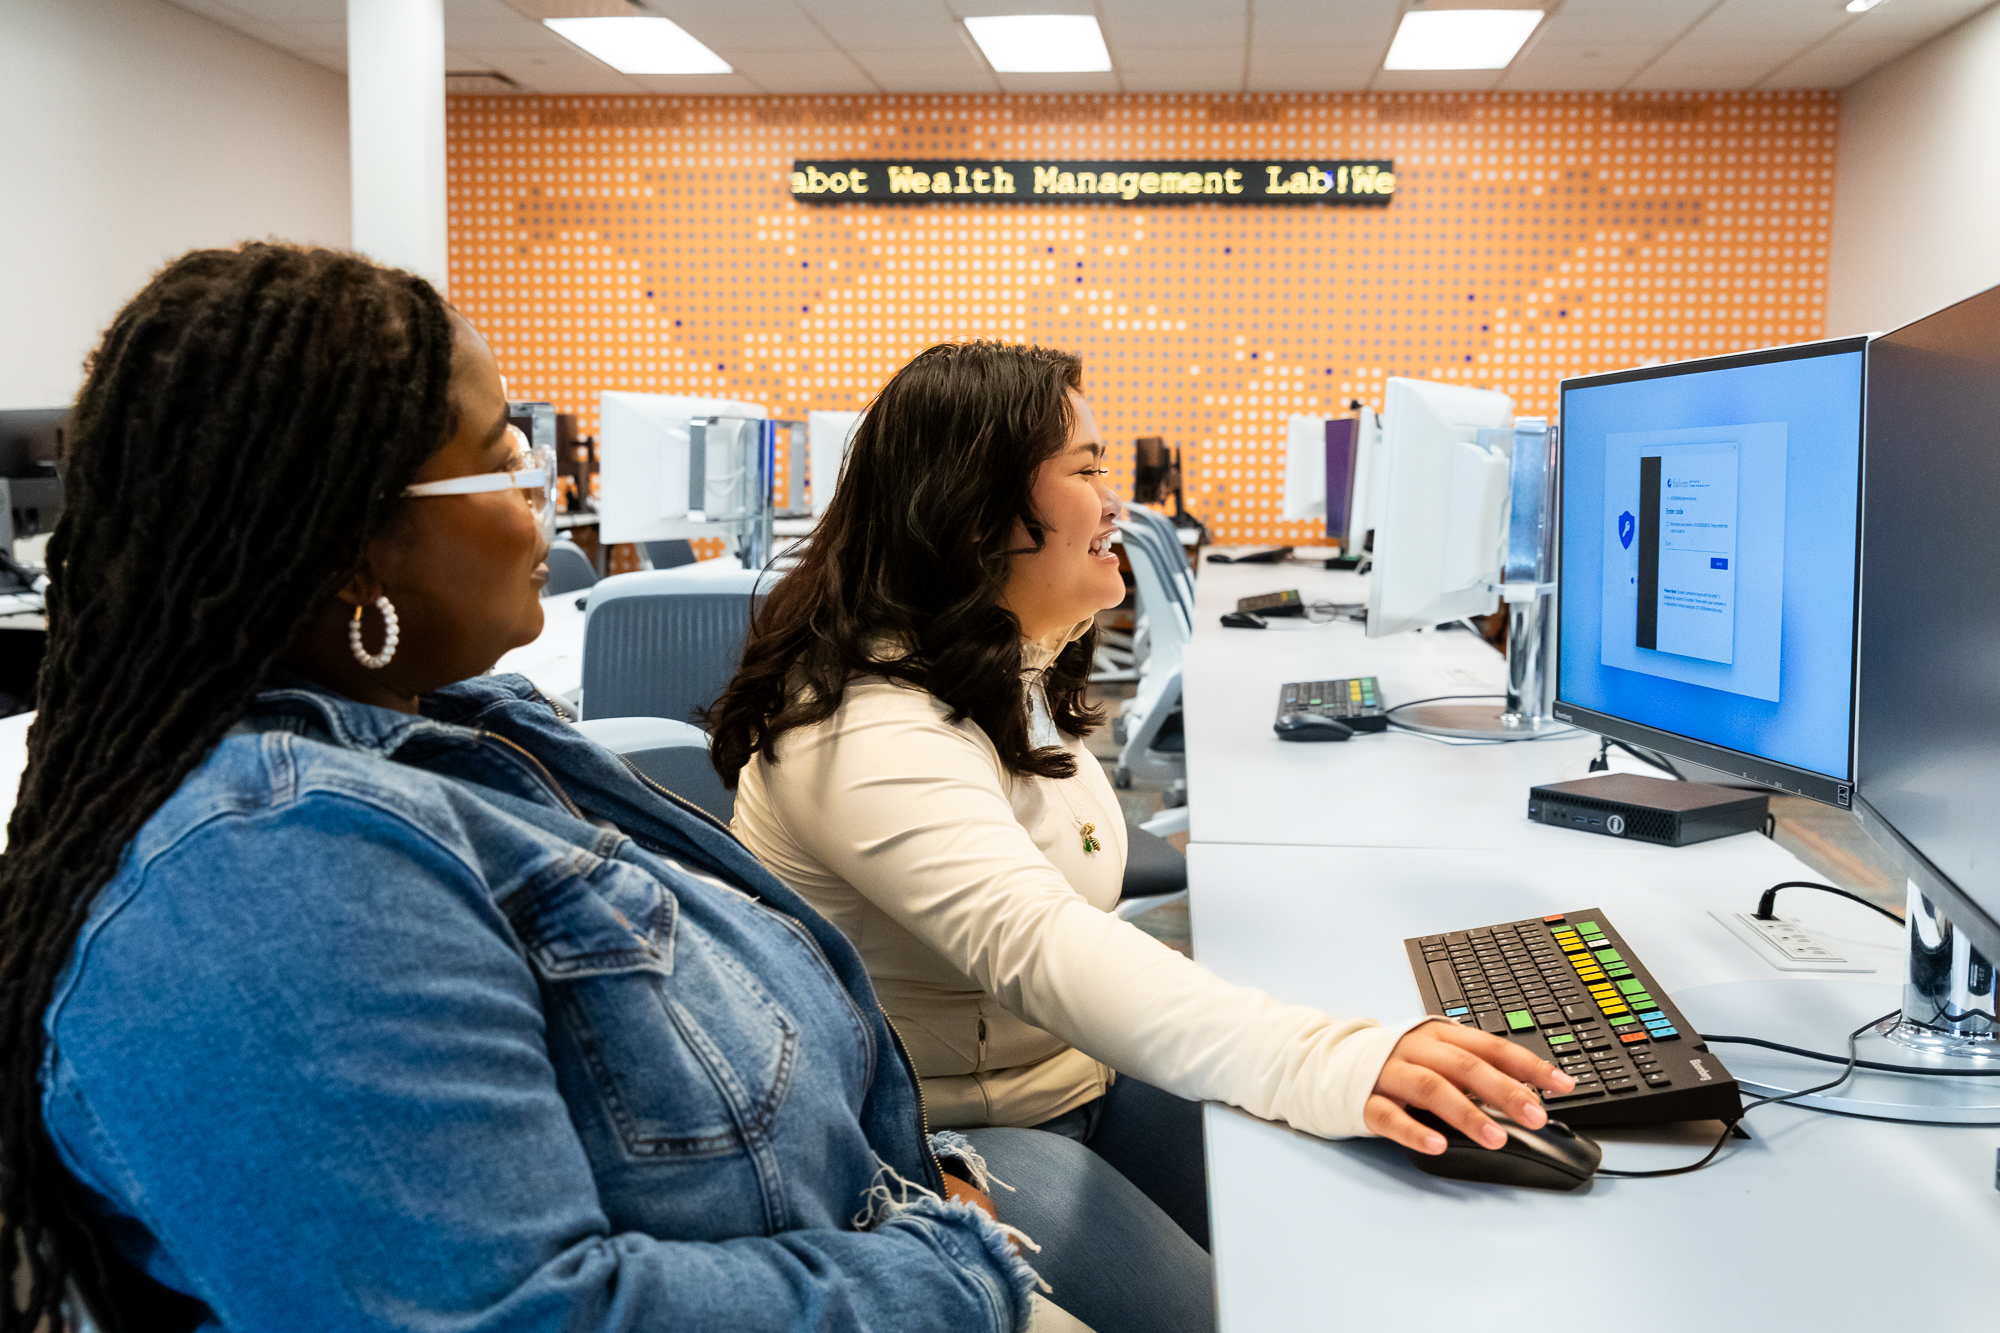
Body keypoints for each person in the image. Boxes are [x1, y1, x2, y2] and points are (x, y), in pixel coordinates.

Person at [0, 245, 1185, 1333]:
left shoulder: (470, 736)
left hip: (888, 1226)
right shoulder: (269, 875)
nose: (546, 510)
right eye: (502, 466)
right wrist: (943, 1266)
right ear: (353, 545)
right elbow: (523, 1316)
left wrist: (897, 1178)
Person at [711, 342, 1575, 1249]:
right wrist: (1328, 1058)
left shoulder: (1003, 664)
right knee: (1231, 1296)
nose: (1115, 501)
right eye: (1086, 470)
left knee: (1337, 1229)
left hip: (1069, 1071)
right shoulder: (867, 732)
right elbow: (1041, 944)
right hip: (955, 1138)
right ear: (974, 517)